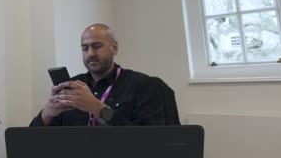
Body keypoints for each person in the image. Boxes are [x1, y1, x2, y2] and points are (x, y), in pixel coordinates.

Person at [30, 23, 178, 126]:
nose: (90, 54)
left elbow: (150, 141)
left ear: (114, 47)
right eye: (85, 48)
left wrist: (98, 109)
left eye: (97, 46)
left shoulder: (145, 86)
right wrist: (47, 114)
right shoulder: (72, 87)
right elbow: (32, 141)